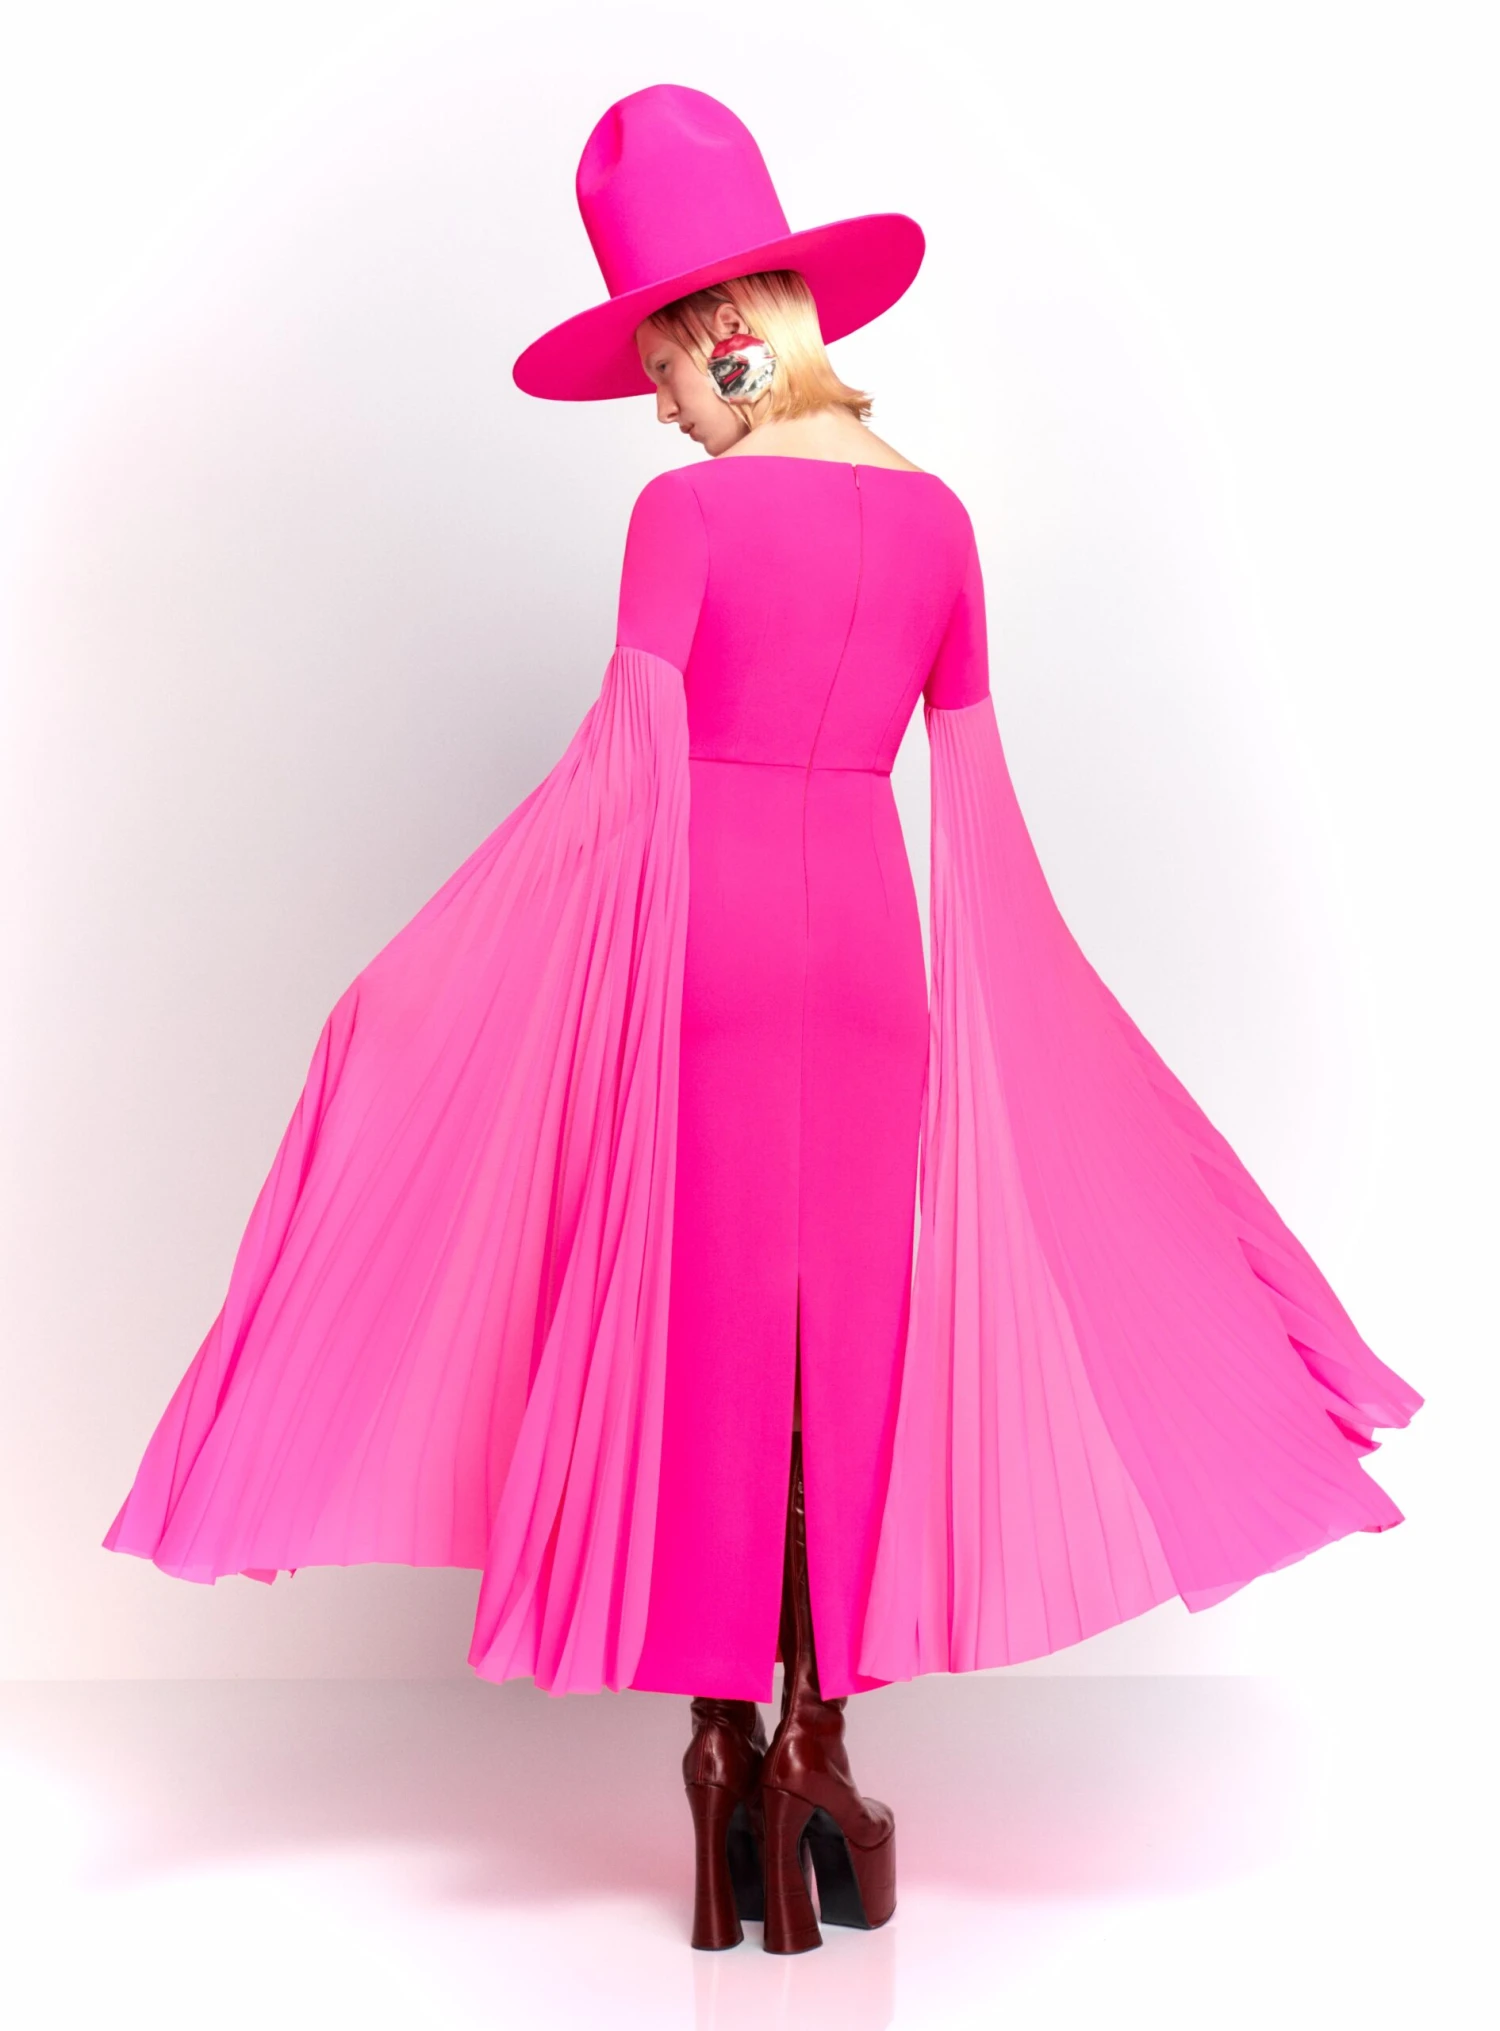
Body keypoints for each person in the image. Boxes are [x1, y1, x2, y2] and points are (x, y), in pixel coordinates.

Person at [102, 85, 1424, 1956]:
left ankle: (720, 1754)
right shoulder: (942, 523)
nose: (659, 405)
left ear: (723, 327)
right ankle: (821, 1746)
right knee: (849, 1348)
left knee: (713, 1346)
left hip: (711, 955)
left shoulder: (684, 519)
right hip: (872, 957)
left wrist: (425, 982)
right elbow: (975, 802)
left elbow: (618, 781)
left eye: (660, 363)